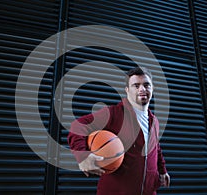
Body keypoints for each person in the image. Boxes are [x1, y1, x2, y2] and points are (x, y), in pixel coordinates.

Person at [68, 67, 170, 195]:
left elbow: (156, 147)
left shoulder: (154, 121)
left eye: (146, 85)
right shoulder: (113, 114)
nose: (142, 89)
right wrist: (83, 156)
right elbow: (78, 126)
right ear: (127, 90)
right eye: (136, 85)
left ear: (152, 88)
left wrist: (162, 170)